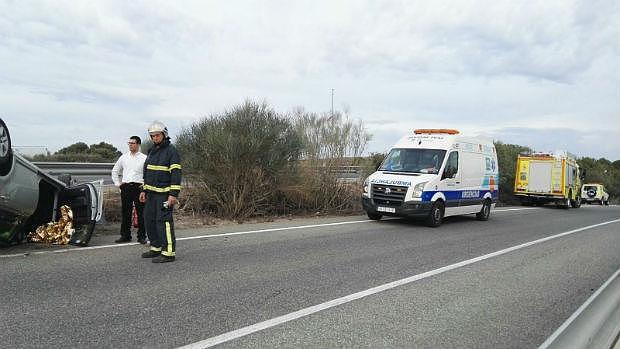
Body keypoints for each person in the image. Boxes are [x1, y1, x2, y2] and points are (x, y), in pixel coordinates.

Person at [139, 121, 182, 263]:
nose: (154, 138)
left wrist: (173, 195)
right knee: (149, 220)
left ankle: (169, 252)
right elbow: (147, 172)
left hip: (164, 195)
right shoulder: (152, 151)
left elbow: (176, 174)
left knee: (164, 222)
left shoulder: (171, 151)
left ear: (164, 134)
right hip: (151, 194)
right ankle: (156, 247)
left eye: (157, 135)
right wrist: (144, 190)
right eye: (152, 136)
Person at [111, 136, 147, 244]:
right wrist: (118, 184)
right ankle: (125, 235)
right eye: (129, 143)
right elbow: (115, 171)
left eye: (133, 143)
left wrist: (144, 188)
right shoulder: (124, 157)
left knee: (141, 213)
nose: (130, 145)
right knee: (126, 212)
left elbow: (148, 174)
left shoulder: (144, 158)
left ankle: (141, 236)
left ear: (138, 144)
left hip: (139, 187)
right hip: (126, 187)